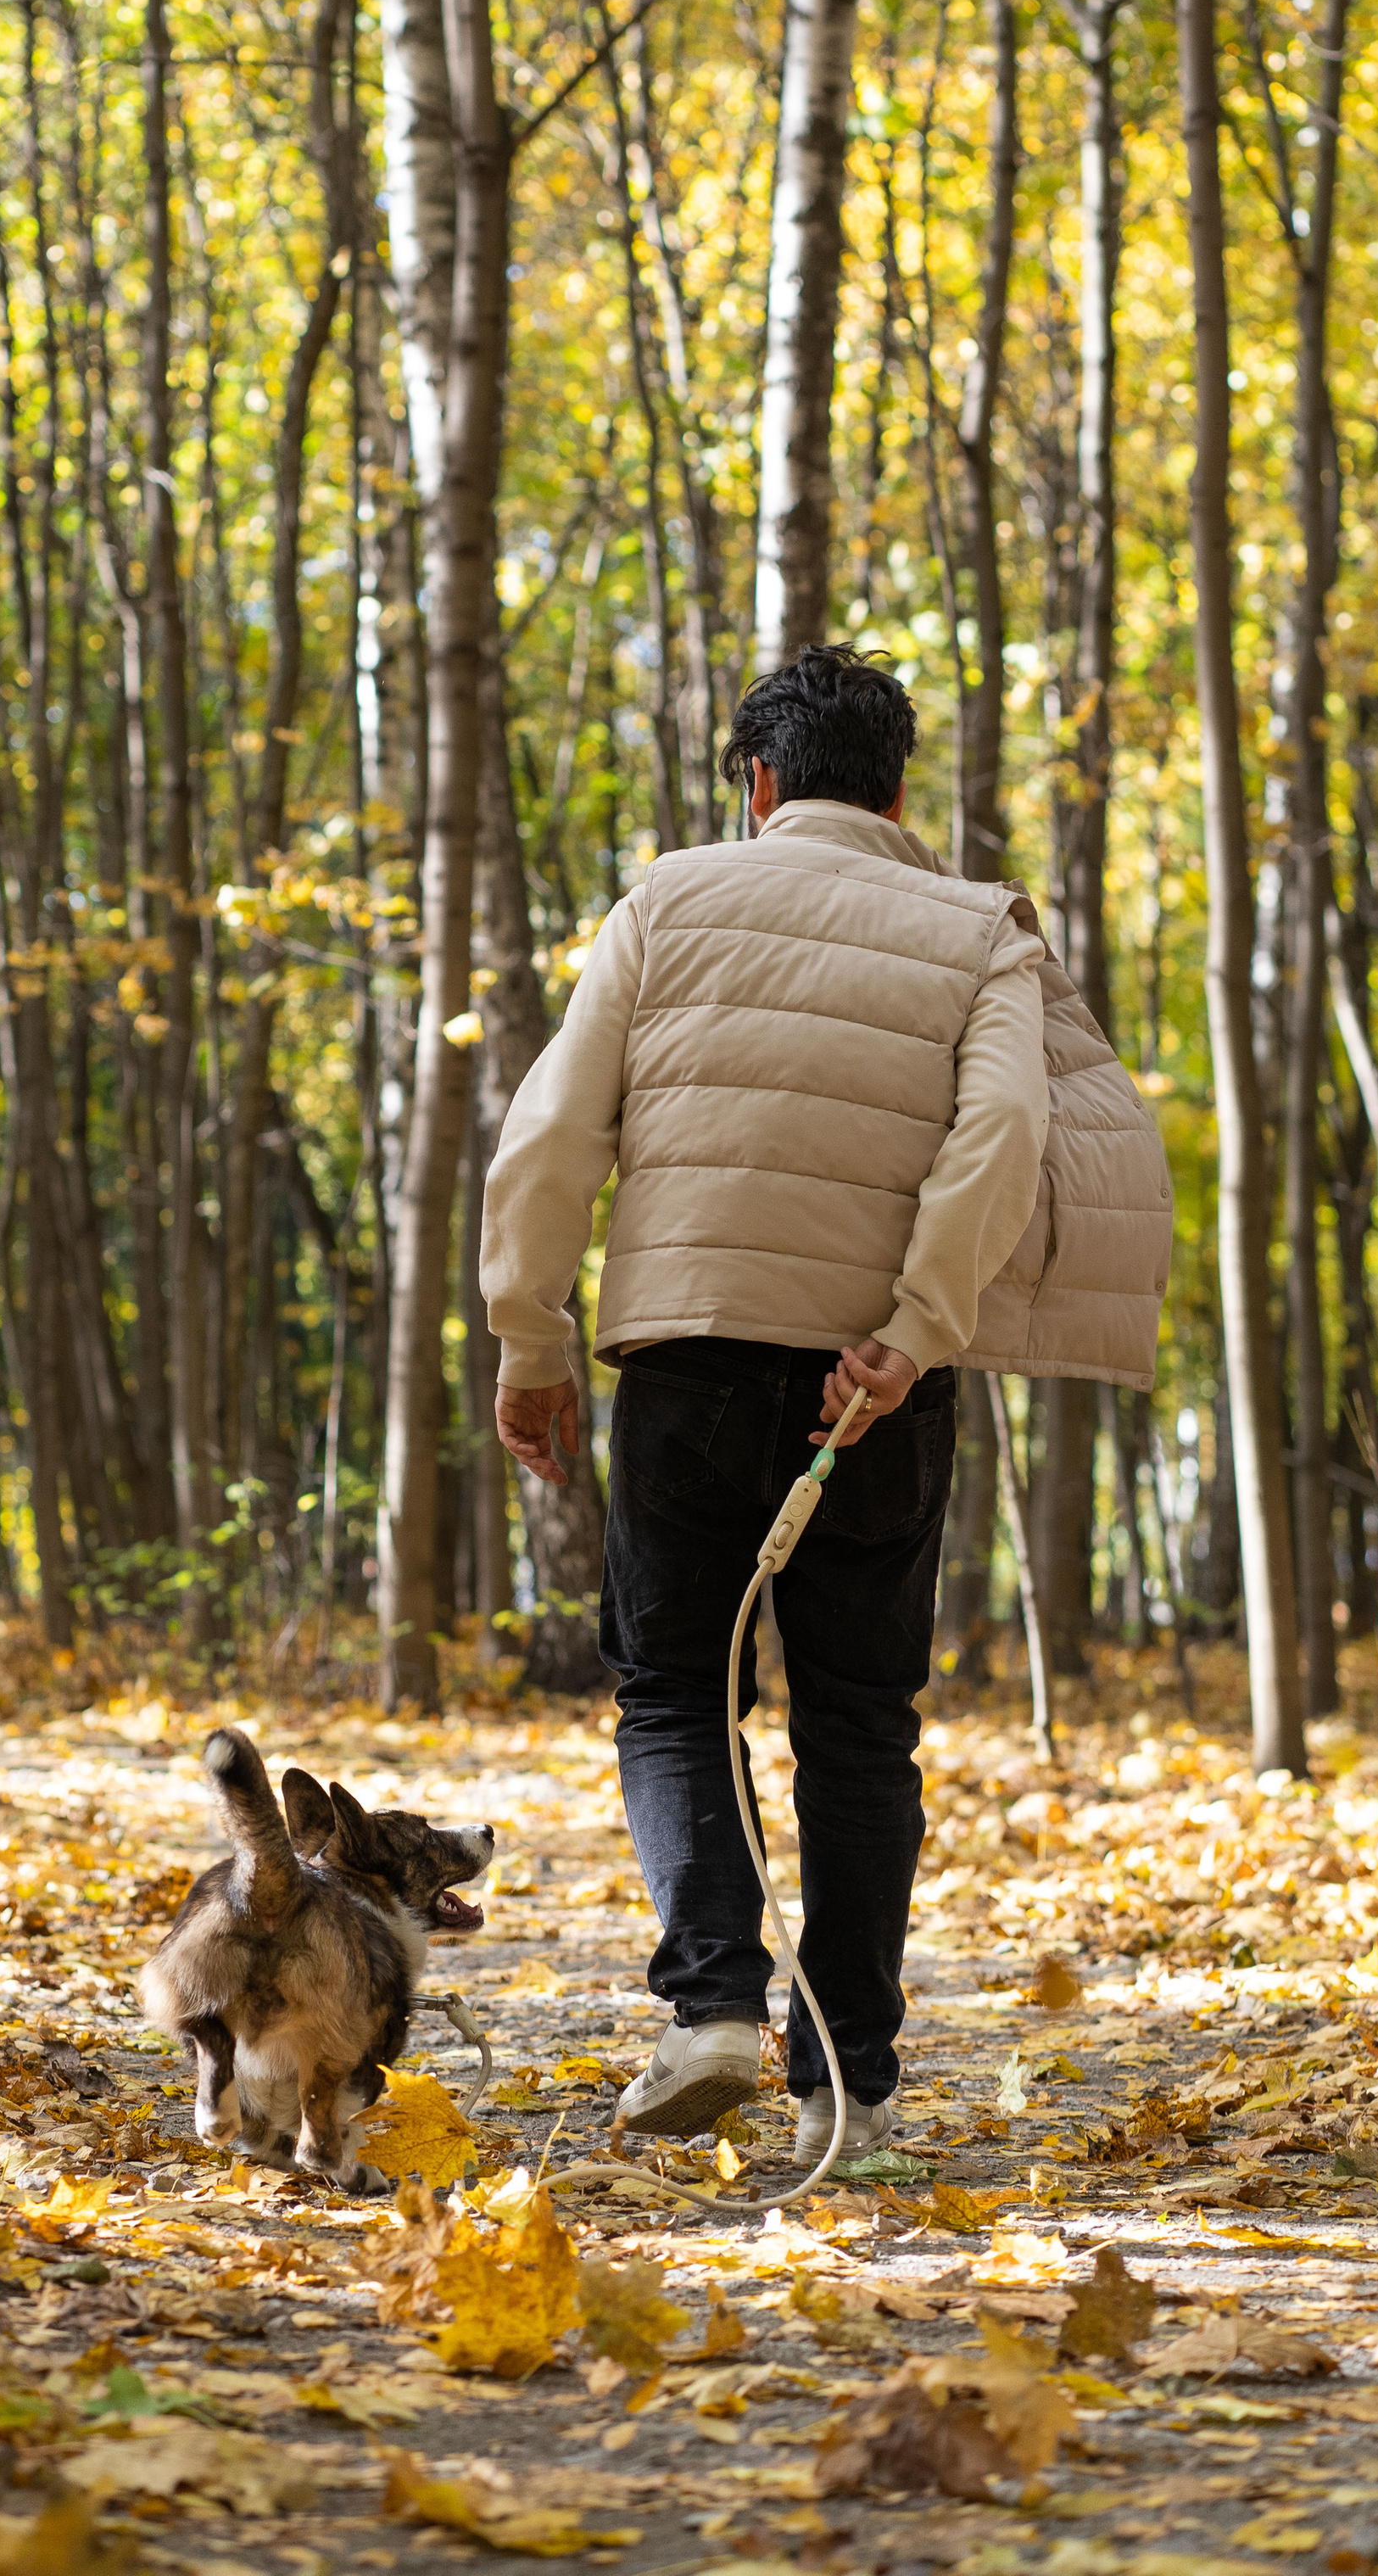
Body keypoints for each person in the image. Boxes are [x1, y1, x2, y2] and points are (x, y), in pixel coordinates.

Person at [479, 645, 1169, 2160]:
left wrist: (533, 1342)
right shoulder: (979, 929)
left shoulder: (666, 901)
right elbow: (1004, 1136)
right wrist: (915, 1331)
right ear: (898, 794)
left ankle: (713, 2009)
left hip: (686, 1359)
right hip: (879, 1392)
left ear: (760, 783)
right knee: (860, 1726)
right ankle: (844, 2089)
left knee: (678, 1692)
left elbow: (551, 1137)